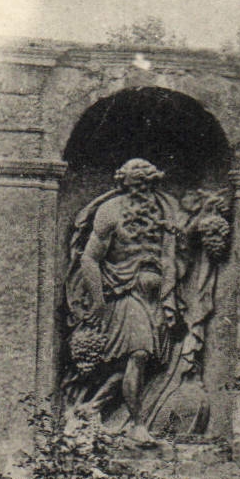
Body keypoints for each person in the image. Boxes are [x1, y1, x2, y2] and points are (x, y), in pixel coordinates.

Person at [65, 158, 181, 441]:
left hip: (154, 297)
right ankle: (138, 426)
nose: (140, 190)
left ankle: (92, 408)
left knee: (143, 361)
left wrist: (169, 296)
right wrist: (97, 300)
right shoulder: (110, 211)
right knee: (139, 354)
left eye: (146, 184)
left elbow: (169, 255)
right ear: (123, 184)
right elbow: (90, 258)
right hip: (122, 293)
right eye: (135, 185)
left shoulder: (165, 210)